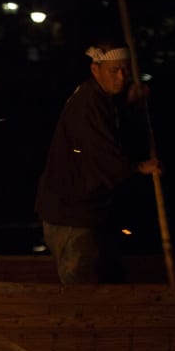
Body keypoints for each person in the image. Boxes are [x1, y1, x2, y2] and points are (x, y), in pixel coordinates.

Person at [34, 43, 161, 284]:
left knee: (108, 274)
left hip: (88, 210)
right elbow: (102, 154)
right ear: (96, 70)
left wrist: (132, 105)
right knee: (81, 284)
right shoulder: (88, 104)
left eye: (125, 70)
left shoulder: (102, 99)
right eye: (114, 71)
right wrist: (139, 167)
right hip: (70, 213)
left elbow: (112, 129)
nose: (122, 77)